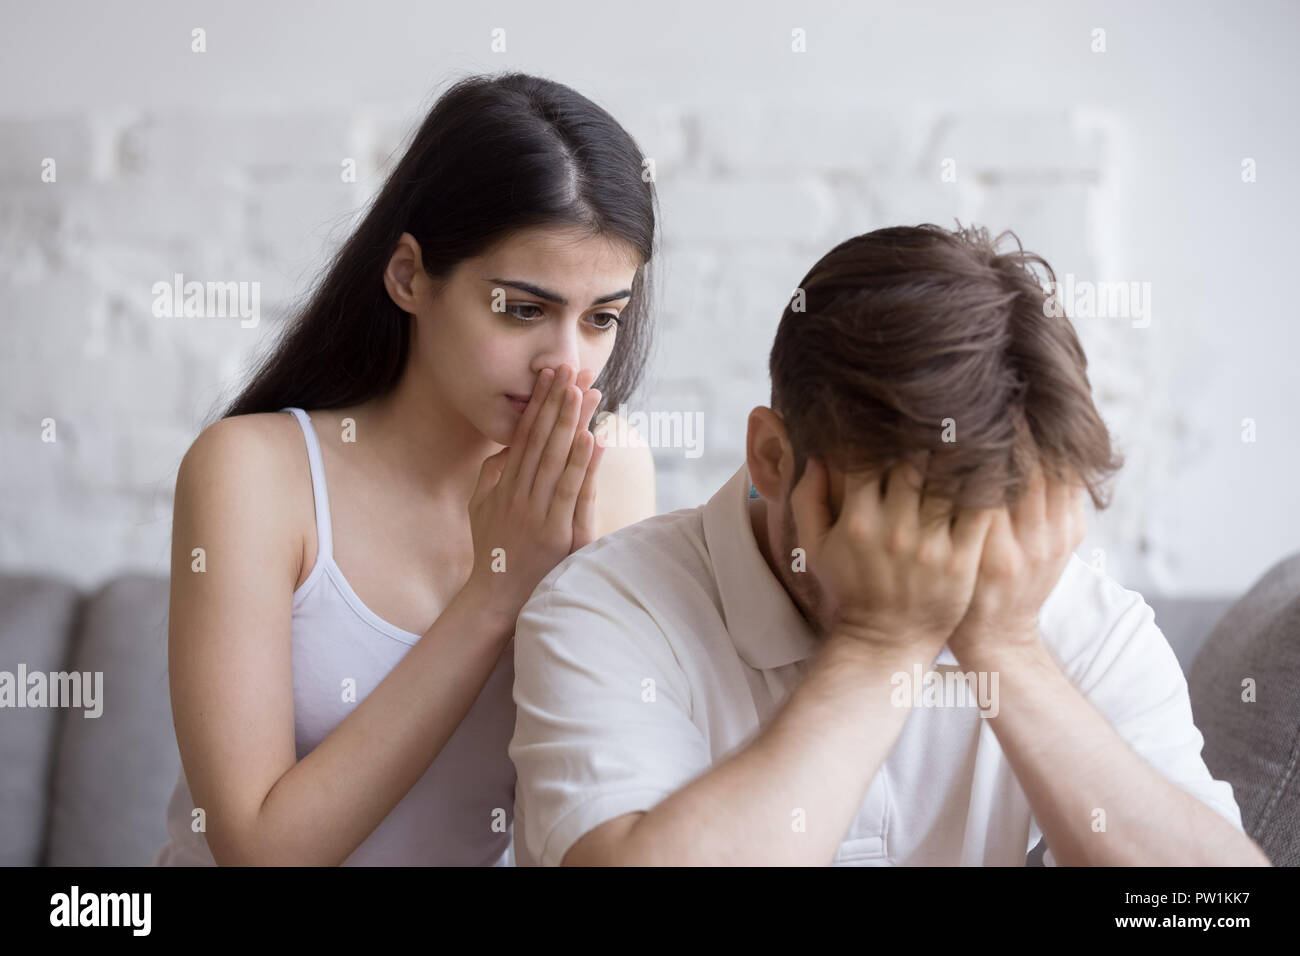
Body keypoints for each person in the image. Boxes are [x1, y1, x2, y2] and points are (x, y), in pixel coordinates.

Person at [508, 222, 1272, 866]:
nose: (944, 573)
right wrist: (880, 645)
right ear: (773, 460)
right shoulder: (607, 609)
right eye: (902, 522)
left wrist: (1007, 650)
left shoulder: (1068, 615)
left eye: (980, 526)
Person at [153, 71, 658, 866]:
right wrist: (495, 592)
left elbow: (596, 810)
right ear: (409, 277)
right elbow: (258, 850)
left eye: (601, 320)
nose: (567, 366)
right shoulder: (253, 474)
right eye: (523, 310)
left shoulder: (612, 469)